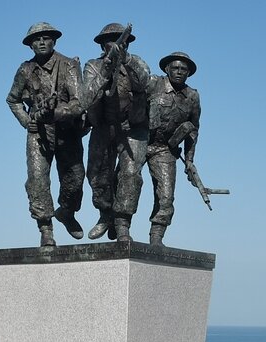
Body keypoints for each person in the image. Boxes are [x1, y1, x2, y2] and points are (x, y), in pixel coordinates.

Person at [6, 22, 85, 247]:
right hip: (38, 133)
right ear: (30, 45)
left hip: (67, 132)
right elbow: (12, 100)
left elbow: (79, 104)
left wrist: (56, 113)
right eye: (36, 39)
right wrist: (26, 121)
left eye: (45, 38)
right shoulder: (25, 70)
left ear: (54, 41)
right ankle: (45, 228)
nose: (41, 42)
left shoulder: (69, 65)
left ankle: (67, 212)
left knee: (75, 181)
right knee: (37, 180)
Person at [81, 23, 150, 242]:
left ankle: (122, 224)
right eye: (111, 40)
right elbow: (86, 99)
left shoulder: (136, 62)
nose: (117, 44)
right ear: (103, 44)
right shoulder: (93, 66)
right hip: (103, 128)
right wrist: (104, 72)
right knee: (97, 176)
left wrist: (126, 62)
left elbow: (146, 84)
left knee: (130, 175)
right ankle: (105, 214)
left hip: (133, 129)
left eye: (121, 40)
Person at [145, 52, 201, 245]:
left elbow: (193, 131)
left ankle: (156, 237)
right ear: (167, 69)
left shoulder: (192, 97)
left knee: (166, 196)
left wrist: (190, 160)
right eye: (175, 68)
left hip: (164, 149)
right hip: (140, 140)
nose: (179, 72)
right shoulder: (152, 83)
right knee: (126, 183)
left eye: (183, 69)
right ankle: (119, 226)